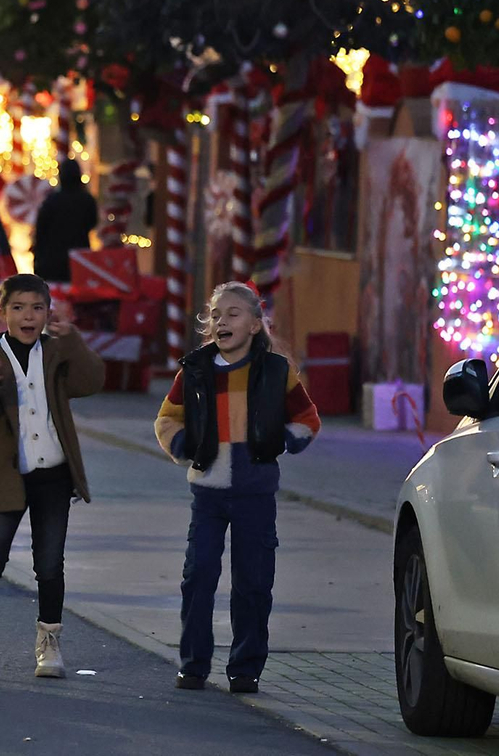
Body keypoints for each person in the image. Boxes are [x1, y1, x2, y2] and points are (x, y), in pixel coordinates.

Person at [154, 281, 321, 694]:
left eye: (233, 314)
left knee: (253, 582)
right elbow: (167, 418)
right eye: (215, 315)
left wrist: (284, 439)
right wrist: (182, 445)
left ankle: (245, 668)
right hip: (207, 493)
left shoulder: (276, 371)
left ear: (254, 324)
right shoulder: (195, 370)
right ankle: (193, 665)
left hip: (255, 493)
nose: (221, 322)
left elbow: (307, 418)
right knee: (198, 576)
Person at [0, 274, 106, 681]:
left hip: (54, 475)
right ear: (3, 312)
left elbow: (91, 381)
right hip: (6, 475)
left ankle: (49, 644)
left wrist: (73, 340)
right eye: (18, 308)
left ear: (48, 313)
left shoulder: (56, 350)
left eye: (37, 308)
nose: (28, 316)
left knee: (49, 563)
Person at [31, 158, 98, 283]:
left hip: (52, 261)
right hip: (79, 258)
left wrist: (37, 261)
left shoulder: (51, 201)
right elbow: (92, 222)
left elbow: (41, 231)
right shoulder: (87, 200)